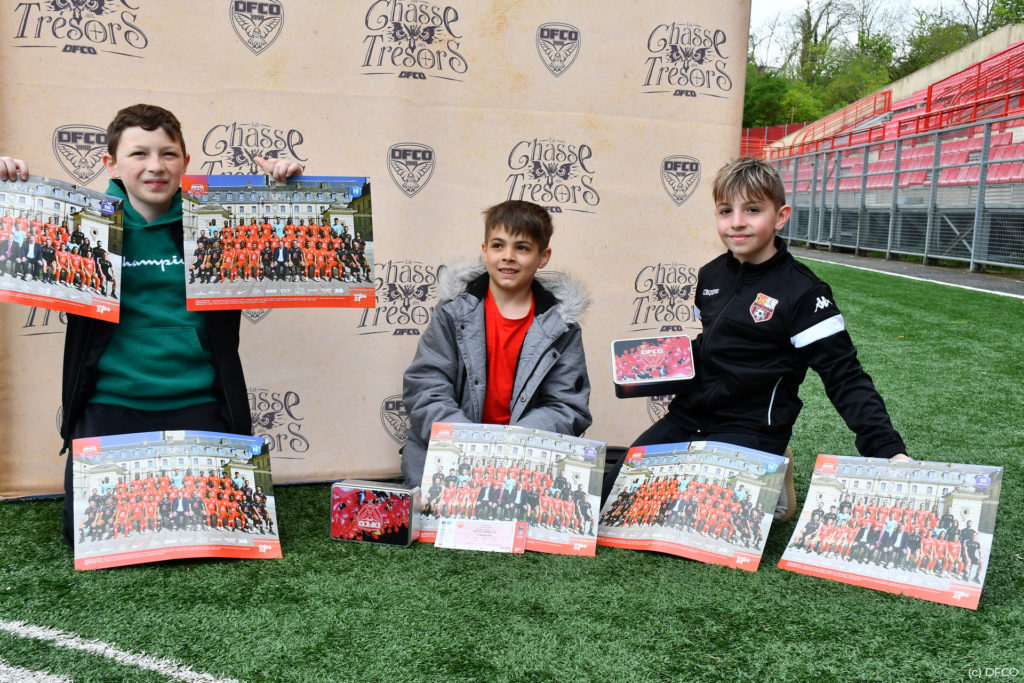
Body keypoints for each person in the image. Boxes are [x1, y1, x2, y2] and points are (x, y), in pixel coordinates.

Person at [0, 104, 302, 549]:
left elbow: (286, 238)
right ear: (111, 163)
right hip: (111, 401)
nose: (155, 166)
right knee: (88, 537)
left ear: (185, 162)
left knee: (223, 532)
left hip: (198, 400)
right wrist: (5, 186)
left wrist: (281, 188)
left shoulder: (219, 221)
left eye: (168, 154)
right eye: (139, 153)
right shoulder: (73, 221)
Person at [606, 157, 909, 518]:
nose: (737, 221)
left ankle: (772, 472)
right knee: (615, 501)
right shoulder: (710, 276)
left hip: (751, 428)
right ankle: (754, 473)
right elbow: (712, 345)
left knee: (698, 519)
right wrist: (655, 365)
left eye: (752, 209)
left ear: (780, 217)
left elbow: (845, 377)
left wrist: (888, 450)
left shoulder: (804, 292)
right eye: (726, 211)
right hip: (689, 418)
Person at [401, 199, 592, 487]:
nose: (508, 256)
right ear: (484, 251)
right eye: (498, 245)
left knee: (537, 506)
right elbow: (426, 388)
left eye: (522, 248)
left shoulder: (562, 327)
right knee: (440, 508)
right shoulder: (451, 313)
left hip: (525, 458)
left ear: (543, 257)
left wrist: (511, 446)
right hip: (452, 452)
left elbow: (566, 406)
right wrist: (469, 443)